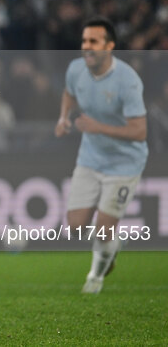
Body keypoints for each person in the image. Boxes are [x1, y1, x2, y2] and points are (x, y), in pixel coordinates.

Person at [55, 17, 148, 294]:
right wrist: (63, 118)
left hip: (124, 164)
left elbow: (140, 131)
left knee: (104, 230)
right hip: (90, 158)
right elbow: (69, 93)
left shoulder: (128, 80)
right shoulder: (76, 69)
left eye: (93, 41)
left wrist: (97, 127)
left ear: (109, 46)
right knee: (75, 225)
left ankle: (95, 277)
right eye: (84, 41)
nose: (87, 47)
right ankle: (112, 246)